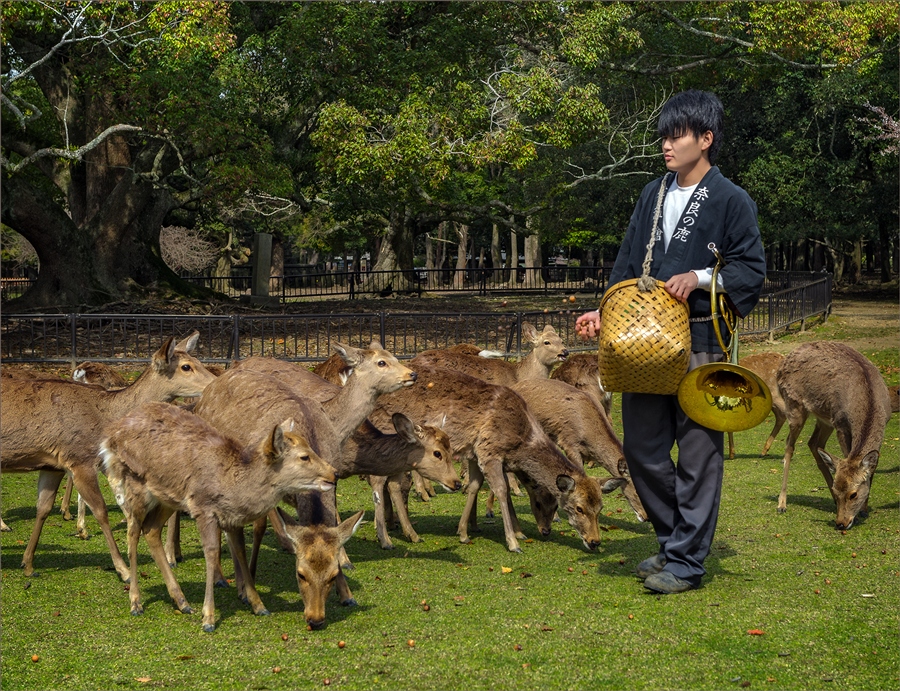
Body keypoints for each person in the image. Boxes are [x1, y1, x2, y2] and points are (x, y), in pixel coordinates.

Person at [575, 89, 766, 594]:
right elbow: (627, 263)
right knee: (642, 450)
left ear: (705, 139)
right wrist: (604, 310)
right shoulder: (652, 194)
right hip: (644, 346)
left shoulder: (731, 199)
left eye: (677, 135)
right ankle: (673, 540)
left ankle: (685, 562)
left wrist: (699, 277)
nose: (666, 144)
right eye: (664, 135)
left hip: (701, 341)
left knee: (699, 455)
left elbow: (751, 270)